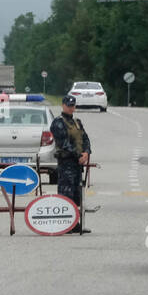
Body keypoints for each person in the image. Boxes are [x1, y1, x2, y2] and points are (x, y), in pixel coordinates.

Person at [50, 93, 91, 234]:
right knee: (65, 195)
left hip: (77, 165)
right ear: (63, 105)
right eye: (68, 105)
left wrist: (86, 153)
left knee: (76, 195)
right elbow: (64, 144)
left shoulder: (77, 122)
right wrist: (79, 155)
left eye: (73, 106)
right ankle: (64, 224)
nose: (71, 108)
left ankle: (74, 224)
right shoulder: (58, 123)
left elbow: (85, 139)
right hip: (66, 163)